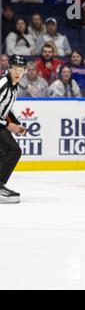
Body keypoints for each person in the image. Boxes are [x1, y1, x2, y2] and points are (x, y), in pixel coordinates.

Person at [0, 55, 28, 204]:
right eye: (15, 68)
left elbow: (6, 109)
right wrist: (8, 125)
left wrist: (16, 124)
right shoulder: (4, 84)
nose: (17, 72)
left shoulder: (14, 85)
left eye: (21, 69)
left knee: (4, 153)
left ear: (25, 71)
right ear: (9, 69)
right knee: (14, 151)